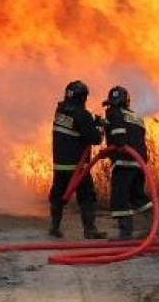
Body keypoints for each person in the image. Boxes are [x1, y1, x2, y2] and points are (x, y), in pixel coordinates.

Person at [48, 80, 107, 239]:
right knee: (87, 196)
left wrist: (91, 121)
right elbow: (95, 139)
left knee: (58, 195)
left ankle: (54, 228)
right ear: (82, 97)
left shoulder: (60, 111)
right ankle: (90, 230)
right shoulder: (82, 115)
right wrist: (100, 128)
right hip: (77, 166)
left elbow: (76, 124)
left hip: (60, 165)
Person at [102, 85, 152, 240]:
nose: (110, 106)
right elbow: (135, 138)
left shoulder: (113, 113)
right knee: (137, 196)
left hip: (124, 161)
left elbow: (119, 136)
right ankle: (156, 224)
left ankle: (125, 234)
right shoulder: (137, 117)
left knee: (120, 197)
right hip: (140, 163)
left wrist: (112, 148)